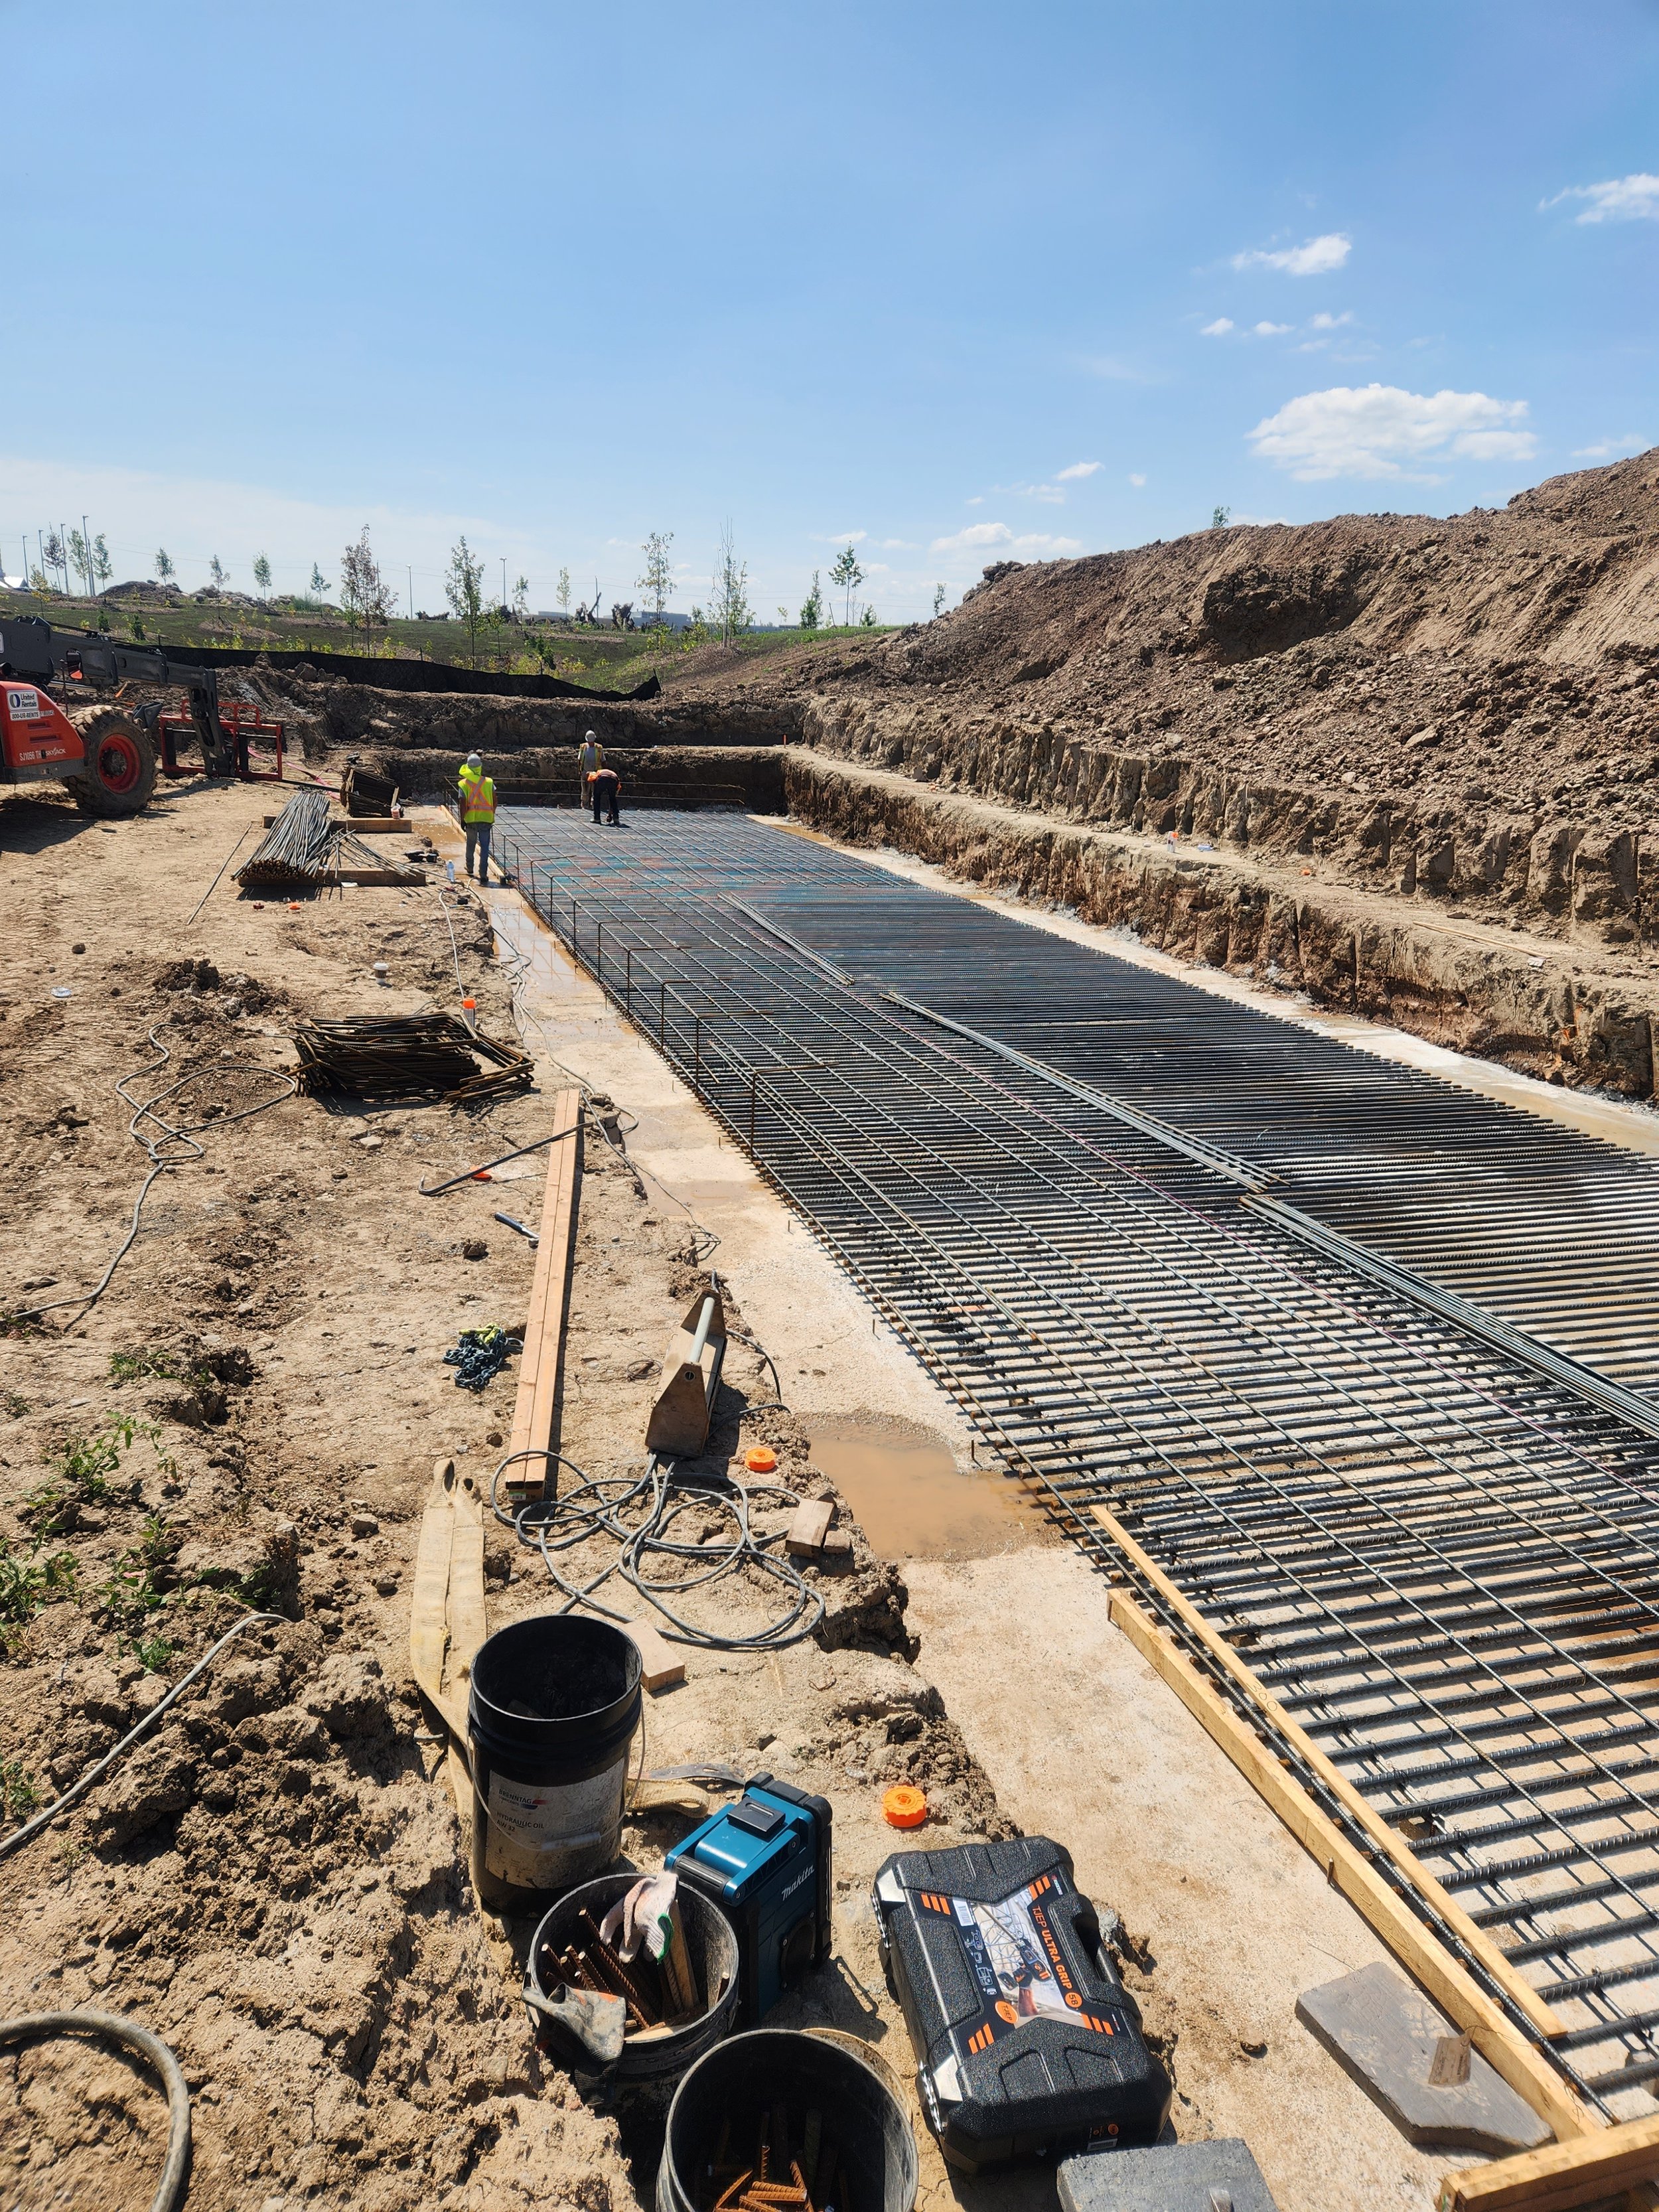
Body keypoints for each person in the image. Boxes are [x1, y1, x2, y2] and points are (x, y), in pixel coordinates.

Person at [461, 754, 496, 879]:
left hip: (471, 821)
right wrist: (491, 813)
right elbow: (495, 801)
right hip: (486, 820)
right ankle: (483, 874)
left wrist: (462, 820)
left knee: (470, 844)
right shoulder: (489, 782)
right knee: (485, 848)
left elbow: (463, 805)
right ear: (480, 766)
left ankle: (470, 868)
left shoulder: (463, 784)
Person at [578, 729, 620, 826]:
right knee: (612, 798)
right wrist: (610, 815)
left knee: (596, 796)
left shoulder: (599, 748)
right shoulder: (616, 779)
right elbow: (613, 798)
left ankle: (597, 818)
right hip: (610, 778)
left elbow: (603, 761)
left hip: (599, 776)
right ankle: (616, 819)